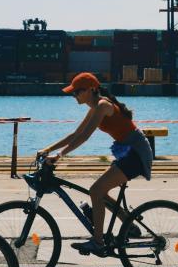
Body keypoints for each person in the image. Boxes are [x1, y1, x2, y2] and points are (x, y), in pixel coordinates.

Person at [38, 72, 153, 256]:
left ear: (92, 89)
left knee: (96, 191)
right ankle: (128, 222)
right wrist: (47, 149)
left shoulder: (103, 105)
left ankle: (98, 242)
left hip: (136, 153)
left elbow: (84, 137)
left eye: (78, 92)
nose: (74, 96)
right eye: (73, 93)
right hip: (127, 152)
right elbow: (75, 134)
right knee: (100, 191)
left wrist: (59, 156)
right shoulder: (94, 107)